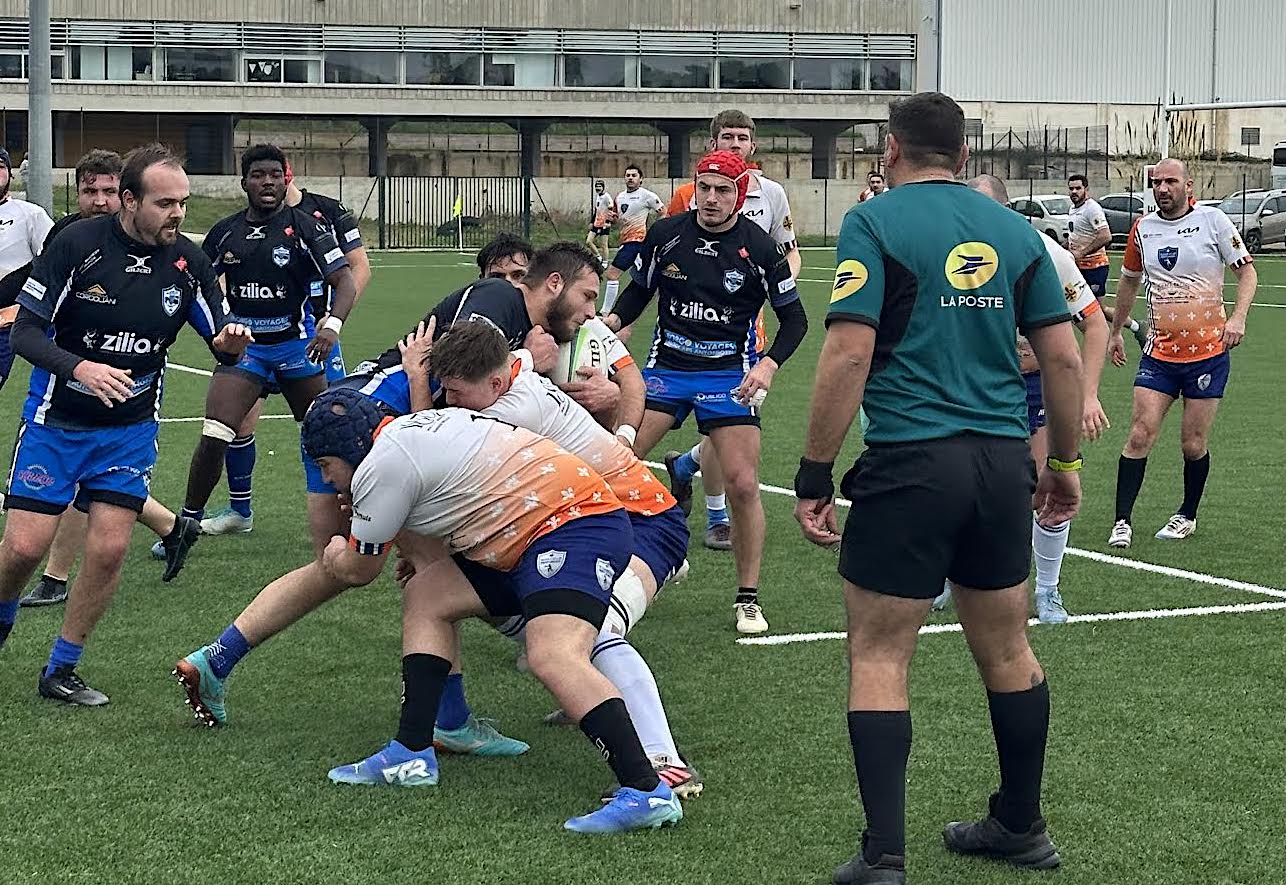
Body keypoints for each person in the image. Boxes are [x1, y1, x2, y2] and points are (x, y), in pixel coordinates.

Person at [793, 92, 1083, 884]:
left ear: (891, 150)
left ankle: (885, 853)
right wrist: (1062, 464)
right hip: (998, 465)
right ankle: (1020, 825)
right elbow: (1061, 360)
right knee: (1008, 646)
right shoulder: (1018, 231)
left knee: (881, 652)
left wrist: (816, 472)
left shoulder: (876, 222)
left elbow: (849, 354)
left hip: (912, 462)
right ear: (963, 157)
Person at [307, 390, 683, 833]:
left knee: (554, 654)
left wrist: (334, 551)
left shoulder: (378, 466)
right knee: (428, 595)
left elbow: (359, 569)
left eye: (326, 466)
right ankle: (410, 754)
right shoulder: (407, 432)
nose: (327, 479)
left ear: (348, 450)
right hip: (538, 525)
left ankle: (646, 790)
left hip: (573, 523)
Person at [0, 143, 251, 704]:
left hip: (130, 427)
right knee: (22, 549)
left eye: (183, 203)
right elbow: (25, 334)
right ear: (129, 201)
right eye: (165, 203)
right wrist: (81, 367)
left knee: (110, 549)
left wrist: (230, 345)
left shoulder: (189, 263)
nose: (178, 214)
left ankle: (61, 669)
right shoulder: (76, 246)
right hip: (55, 422)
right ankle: (3, 616)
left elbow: (219, 342)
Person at [411, 320, 700, 796]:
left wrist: (417, 384)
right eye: (446, 391)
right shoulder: (508, 375)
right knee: (447, 589)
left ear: (497, 383)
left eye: (457, 392)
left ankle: (664, 761)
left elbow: (430, 443)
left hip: (640, 518)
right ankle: (579, 681)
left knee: (599, 627)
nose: (451, 400)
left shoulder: (513, 408)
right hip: (570, 520)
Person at [602, 150, 808, 635]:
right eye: (704, 188)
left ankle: (748, 599)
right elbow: (637, 292)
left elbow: (795, 319)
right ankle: (613, 568)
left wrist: (768, 365)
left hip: (728, 378)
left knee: (742, 483)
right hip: (666, 369)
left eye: (723, 190)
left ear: (741, 194)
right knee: (611, 466)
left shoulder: (760, 248)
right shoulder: (666, 235)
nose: (710, 198)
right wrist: (611, 324)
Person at [931, 174, 1110, 625]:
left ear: (1006, 212)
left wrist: (1087, 394)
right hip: (971, 386)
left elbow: (1095, 325)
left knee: (1041, 489)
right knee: (961, 486)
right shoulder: (948, 252)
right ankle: (949, 575)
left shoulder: (1047, 254)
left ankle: (1048, 591)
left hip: (1036, 386)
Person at [173, 144, 356, 557]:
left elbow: (345, 280)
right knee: (216, 431)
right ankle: (183, 526)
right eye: (258, 175)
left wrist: (331, 325)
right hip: (248, 352)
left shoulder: (307, 227)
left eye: (275, 174)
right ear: (244, 182)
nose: (268, 181)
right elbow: (198, 285)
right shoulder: (225, 232)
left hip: (297, 348)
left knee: (325, 434)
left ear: (285, 178)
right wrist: (222, 329)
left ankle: (353, 523)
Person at [661, 109, 802, 551]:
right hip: (695, 324)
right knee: (718, 422)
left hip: (750, 319)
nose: (734, 144)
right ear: (711, 144)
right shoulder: (688, 194)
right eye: (726, 137)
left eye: (742, 138)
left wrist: (774, 287)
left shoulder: (773, 194)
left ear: (753, 146)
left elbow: (787, 252)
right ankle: (718, 515)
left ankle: (685, 467)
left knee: (725, 421)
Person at [1107, 157, 1256, 548]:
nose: (1163, 188)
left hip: (1208, 353)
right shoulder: (1143, 229)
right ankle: (1122, 521)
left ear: (1188, 186)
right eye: (1157, 182)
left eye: (1171, 181)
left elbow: (1247, 273)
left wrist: (1237, 318)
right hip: (1159, 355)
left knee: (1192, 444)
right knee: (1139, 435)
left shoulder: (1213, 222)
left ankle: (1187, 514)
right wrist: (1116, 331)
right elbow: (1128, 284)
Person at [2, 149, 122, 607]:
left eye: (109, 191)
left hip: (122, 385)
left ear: (125, 194)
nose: (99, 201)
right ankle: (174, 527)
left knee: (100, 480)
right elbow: (29, 288)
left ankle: (56, 577)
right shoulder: (66, 236)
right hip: (61, 378)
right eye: (90, 191)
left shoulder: (148, 244)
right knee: (65, 484)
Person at [0, 146, 55, 393]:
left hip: (4, 326)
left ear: (10, 174)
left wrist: (21, 307)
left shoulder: (30, 214)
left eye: (0, 167)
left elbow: (53, 265)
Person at [1067, 173, 1145, 346]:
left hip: (1095, 266)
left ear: (1086, 189)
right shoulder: (1073, 209)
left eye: (1078, 188)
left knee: (1097, 310)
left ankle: (1135, 327)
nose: (1074, 191)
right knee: (1072, 304)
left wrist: (1081, 253)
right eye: (1071, 188)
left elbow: (1105, 236)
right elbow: (1076, 236)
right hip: (1078, 267)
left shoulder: (1091, 208)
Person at [601, 165, 664, 314]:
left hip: (636, 242)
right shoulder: (620, 197)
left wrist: (653, 232)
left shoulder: (647, 195)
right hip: (626, 240)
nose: (630, 178)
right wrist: (612, 218)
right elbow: (617, 218)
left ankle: (605, 311)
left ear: (640, 179)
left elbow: (663, 212)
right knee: (641, 279)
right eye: (627, 175)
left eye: (634, 175)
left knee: (612, 274)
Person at [585, 179, 616, 269]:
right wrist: (592, 222)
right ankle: (598, 256)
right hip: (596, 223)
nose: (598, 188)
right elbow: (597, 210)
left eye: (599, 186)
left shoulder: (607, 197)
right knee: (588, 241)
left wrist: (607, 222)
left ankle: (605, 262)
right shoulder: (598, 197)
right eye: (596, 187)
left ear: (603, 188)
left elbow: (611, 209)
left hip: (604, 224)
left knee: (604, 244)